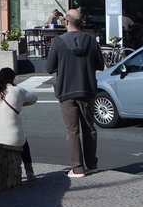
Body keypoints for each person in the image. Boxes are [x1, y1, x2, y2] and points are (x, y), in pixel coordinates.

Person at [45, 9, 105, 178]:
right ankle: (92, 164)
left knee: (72, 131)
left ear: (66, 22)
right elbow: (100, 65)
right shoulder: (91, 41)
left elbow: (49, 68)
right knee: (90, 129)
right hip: (87, 89)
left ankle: (77, 168)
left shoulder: (58, 42)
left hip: (66, 90)